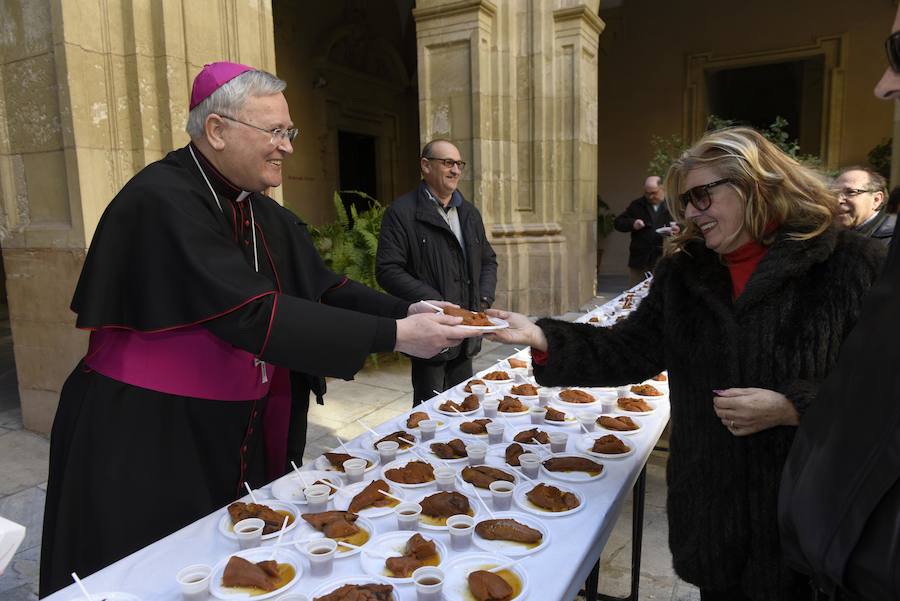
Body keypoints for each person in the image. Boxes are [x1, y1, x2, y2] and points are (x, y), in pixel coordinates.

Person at [39, 62, 478, 596]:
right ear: (217, 130)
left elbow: (323, 287)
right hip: (151, 430)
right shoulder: (161, 199)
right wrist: (395, 339)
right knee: (155, 571)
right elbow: (248, 312)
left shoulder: (261, 210)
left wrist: (406, 311)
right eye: (274, 132)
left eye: (288, 132)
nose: (288, 147)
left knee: (235, 559)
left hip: (234, 421)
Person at [488, 127, 884, 601]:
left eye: (701, 196)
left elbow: (885, 389)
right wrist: (540, 334)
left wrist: (795, 406)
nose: (692, 214)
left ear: (754, 183)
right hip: (714, 516)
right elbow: (630, 349)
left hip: (807, 517)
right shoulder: (686, 271)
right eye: (685, 202)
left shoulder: (852, 263)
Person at [777, 9, 900, 600]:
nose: (883, 85)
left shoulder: (876, 256)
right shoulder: (834, 252)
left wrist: (791, 404)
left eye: (898, 52)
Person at [376, 139, 498, 406]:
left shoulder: (469, 214)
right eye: (447, 163)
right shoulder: (401, 213)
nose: (455, 170)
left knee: (465, 406)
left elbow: (488, 260)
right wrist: (435, 304)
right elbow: (387, 269)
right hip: (431, 334)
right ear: (426, 166)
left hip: (466, 334)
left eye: (458, 164)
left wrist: (483, 300)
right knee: (429, 412)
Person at [613, 175, 674, 284]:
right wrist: (633, 223)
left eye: (654, 193)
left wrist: (678, 228)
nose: (650, 197)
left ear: (662, 188)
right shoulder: (637, 205)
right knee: (636, 292)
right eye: (647, 193)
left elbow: (686, 222)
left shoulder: (672, 204)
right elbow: (618, 223)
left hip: (664, 257)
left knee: (663, 291)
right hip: (640, 260)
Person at [831, 166, 895, 244]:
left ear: (876, 200)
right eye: (834, 193)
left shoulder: (892, 239)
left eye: (851, 192)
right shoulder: (826, 236)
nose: (838, 200)